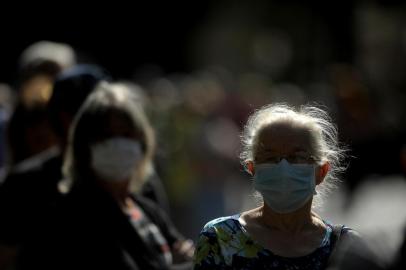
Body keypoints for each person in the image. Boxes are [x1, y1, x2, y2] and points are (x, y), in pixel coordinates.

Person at [19, 82, 193, 270]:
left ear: (142, 142)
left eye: (126, 134)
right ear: (84, 146)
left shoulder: (146, 209)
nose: (118, 144)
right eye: (106, 135)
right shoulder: (70, 218)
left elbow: (181, 250)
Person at [193, 103, 362, 269]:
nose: (283, 168)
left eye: (297, 157)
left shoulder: (345, 247)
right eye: (270, 158)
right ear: (253, 169)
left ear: (321, 171)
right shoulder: (220, 238)